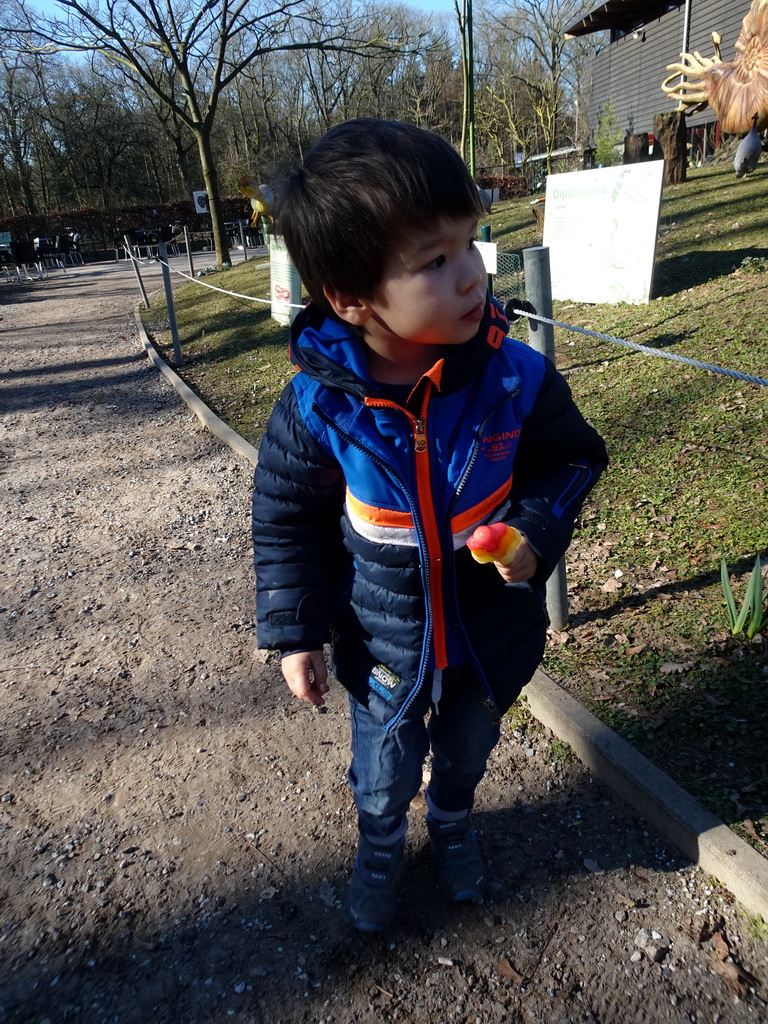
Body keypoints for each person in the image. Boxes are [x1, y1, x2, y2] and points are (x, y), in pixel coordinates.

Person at [251, 118, 608, 933]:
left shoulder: (516, 378)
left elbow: (574, 459)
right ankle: (381, 843)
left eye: (471, 245)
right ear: (351, 298)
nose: (471, 275)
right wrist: (297, 633)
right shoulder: (319, 406)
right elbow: (286, 518)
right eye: (434, 262)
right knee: (383, 771)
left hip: (489, 639)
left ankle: (450, 825)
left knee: (464, 755)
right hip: (381, 646)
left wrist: (533, 531)